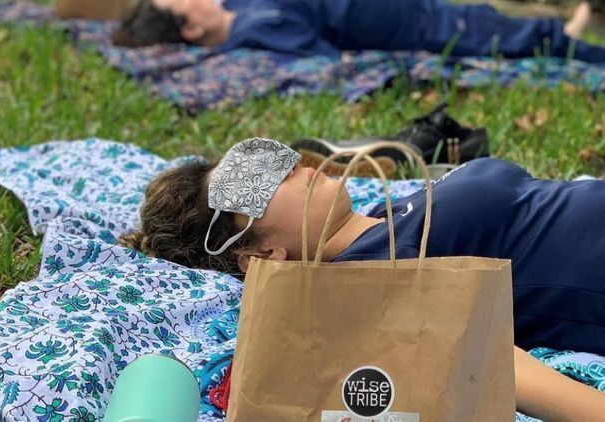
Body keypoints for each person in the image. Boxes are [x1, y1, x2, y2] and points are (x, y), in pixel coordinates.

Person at [119, 137, 605, 420]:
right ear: (261, 252)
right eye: (260, 186)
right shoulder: (364, 281)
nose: (294, 167)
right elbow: (486, 358)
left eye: (272, 163)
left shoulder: (382, 214)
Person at [112, 0, 605, 63]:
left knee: (497, 22)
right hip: (416, 27)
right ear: (193, 27)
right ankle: (586, 43)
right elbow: (325, 57)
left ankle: (578, 23)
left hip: (409, 8)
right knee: (514, 38)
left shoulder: (238, 6)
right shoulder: (253, 34)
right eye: (181, 2)